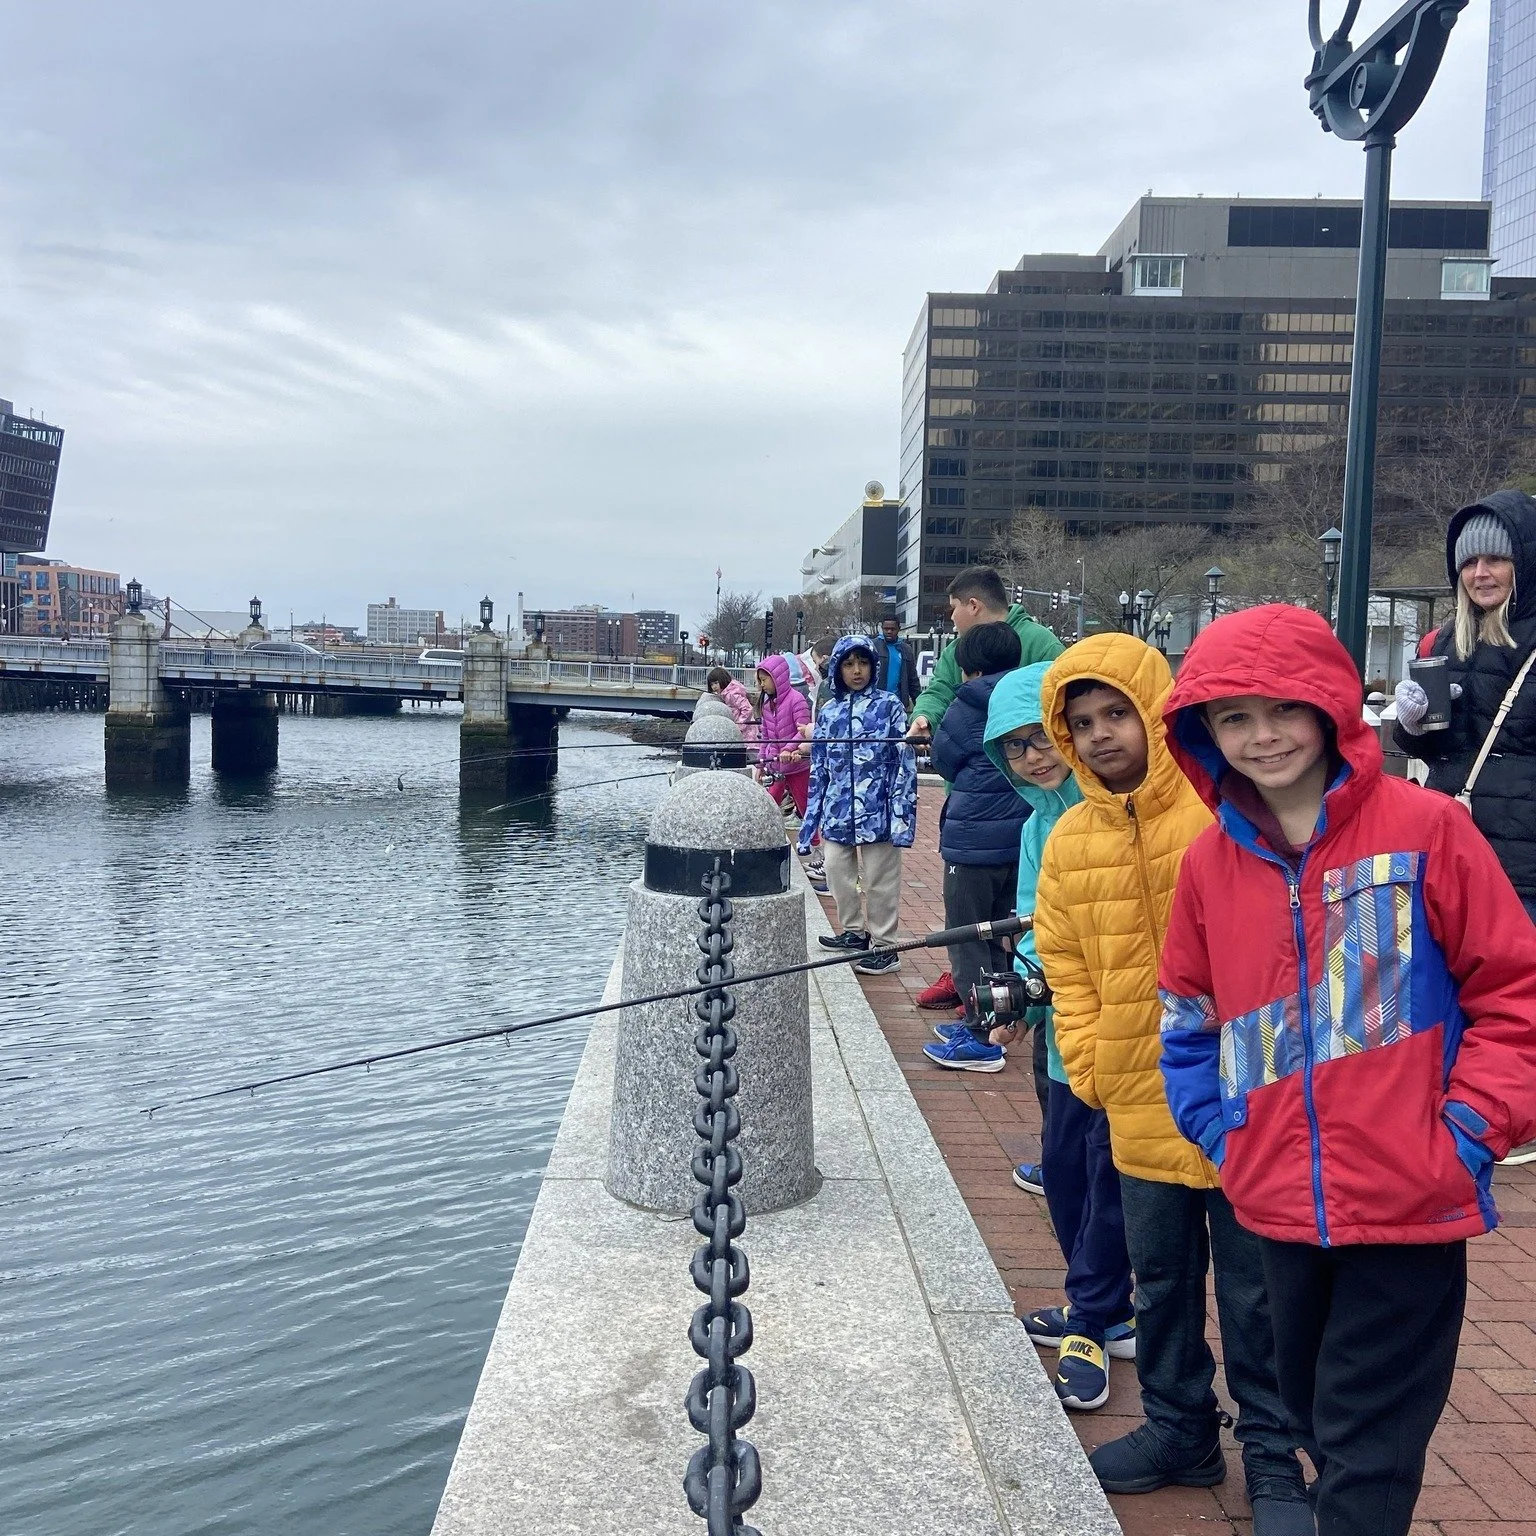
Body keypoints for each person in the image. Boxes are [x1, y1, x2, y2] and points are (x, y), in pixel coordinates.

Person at [1159, 604, 1536, 1536]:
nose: (1261, 736)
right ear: (1204, 733)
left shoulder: (1427, 828)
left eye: (1281, 708)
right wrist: (1222, 1131)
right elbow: (1188, 1018)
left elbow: (1514, 991)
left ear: (1329, 706)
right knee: (1318, 1418)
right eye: (1232, 718)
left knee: (1369, 1456)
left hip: (1409, 1202)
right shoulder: (1209, 863)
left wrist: (1468, 1133)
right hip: (1278, 1202)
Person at [1031, 634, 1309, 1531]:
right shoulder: (1072, 838)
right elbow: (1065, 961)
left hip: (1241, 1093)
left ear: (1156, 712)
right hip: (1136, 1091)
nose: (1104, 734)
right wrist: (1086, 1058)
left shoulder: (1222, 808)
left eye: (1118, 713)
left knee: (1256, 1288)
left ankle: (1272, 1454)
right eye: (1083, 722)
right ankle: (1179, 1428)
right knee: (1160, 1278)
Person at [977, 658, 1135, 1414]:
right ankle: (1104, 1304)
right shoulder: (1040, 822)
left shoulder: (1117, 808)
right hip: (1065, 1037)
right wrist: (1023, 997)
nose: (1034, 755)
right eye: (1013, 746)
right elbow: (1038, 925)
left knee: (1113, 1181)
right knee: (1066, 1169)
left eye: (1043, 736)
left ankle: (1093, 1322)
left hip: (1132, 1040)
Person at [910, 565, 1063, 1013]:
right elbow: (936, 692)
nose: (952, 618)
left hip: (996, 822)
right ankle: (1004, 999)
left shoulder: (1041, 645)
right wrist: (923, 714)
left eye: (954, 608)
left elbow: (947, 752)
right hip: (1014, 819)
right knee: (1005, 917)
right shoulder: (959, 654)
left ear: (973, 605)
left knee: (975, 919)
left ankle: (984, 1010)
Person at [1394, 489, 1536, 923]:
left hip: (1523, 860)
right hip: (1449, 844)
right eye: (1469, 563)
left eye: (1495, 560)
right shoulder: (1442, 641)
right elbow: (1441, 749)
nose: (1481, 574)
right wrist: (1413, 726)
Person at [920, 622, 1029, 1072]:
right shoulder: (1026, 696)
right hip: (1018, 837)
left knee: (967, 938)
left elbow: (943, 757)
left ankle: (983, 1038)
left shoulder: (969, 700)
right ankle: (1000, 1023)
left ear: (967, 667)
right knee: (1004, 938)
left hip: (972, 843)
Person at [798, 635, 917, 975]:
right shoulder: (829, 711)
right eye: (849, 664)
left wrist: (901, 814)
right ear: (837, 668)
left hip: (879, 811)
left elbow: (902, 761)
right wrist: (810, 822)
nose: (857, 671)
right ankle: (853, 932)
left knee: (881, 880)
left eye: (863, 663)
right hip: (837, 811)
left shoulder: (889, 704)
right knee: (836, 872)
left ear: (872, 666)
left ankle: (885, 947)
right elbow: (819, 767)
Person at [754, 654, 811, 820]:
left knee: (805, 805)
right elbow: (765, 736)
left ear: (777, 677)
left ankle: (814, 843)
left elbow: (803, 731)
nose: (762, 684)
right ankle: (765, 836)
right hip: (776, 765)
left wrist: (788, 748)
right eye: (760, 680)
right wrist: (760, 763)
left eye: (765, 679)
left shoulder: (796, 699)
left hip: (797, 765)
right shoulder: (766, 705)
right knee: (769, 802)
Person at [872, 614, 918, 712]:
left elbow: (913, 680)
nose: (889, 631)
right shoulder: (872, 646)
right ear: (882, 628)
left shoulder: (906, 650)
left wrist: (919, 705)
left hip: (898, 705)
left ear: (899, 629)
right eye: (886, 629)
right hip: (874, 704)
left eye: (893, 629)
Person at [706, 666, 757, 744]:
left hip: (746, 732)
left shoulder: (732, 694)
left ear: (723, 680)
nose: (714, 687)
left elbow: (747, 709)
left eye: (716, 683)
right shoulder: (726, 693)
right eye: (712, 684)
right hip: (742, 730)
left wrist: (739, 726)